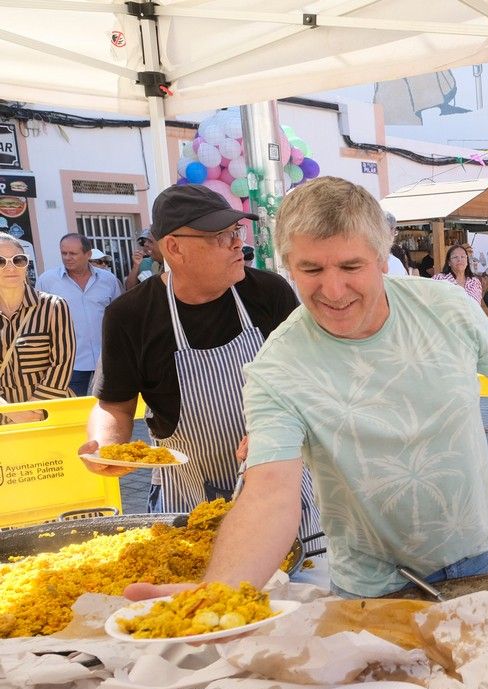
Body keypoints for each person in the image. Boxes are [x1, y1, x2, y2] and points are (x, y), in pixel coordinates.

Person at [123, 177, 488, 601]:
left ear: (383, 258)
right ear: (288, 267)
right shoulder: (278, 366)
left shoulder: (446, 308)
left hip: (484, 560)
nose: (333, 288)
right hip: (371, 589)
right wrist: (216, 593)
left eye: (350, 265)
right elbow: (269, 494)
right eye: (311, 269)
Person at [80, 183, 323, 550]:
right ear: (174, 247)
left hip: (279, 480)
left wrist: (282, 425)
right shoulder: (130, 315)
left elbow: (312, 376)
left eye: (236, 232)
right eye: (220, 237)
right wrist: (108, 448)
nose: (237, 244)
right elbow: (114, 402)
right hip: (189, 492)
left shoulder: (268, 293)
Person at [0, 232, 74, 423]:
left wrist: (34, 411)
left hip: (49, 415)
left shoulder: (54, 306)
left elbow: (62, 363)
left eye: (18, 260)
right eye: (1, 261)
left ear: (26, 264)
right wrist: (12, 412)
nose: (11, 267)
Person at [36, 232, 122, 396]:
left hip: (106, 359)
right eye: (64, 253)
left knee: (109, 407)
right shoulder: (47, 281)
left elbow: (118, 316)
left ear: (88, 254)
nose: (67, 257)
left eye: (73, 253)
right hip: (69, 361)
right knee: (74, 410)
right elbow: (38, 320)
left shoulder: (108, 280)